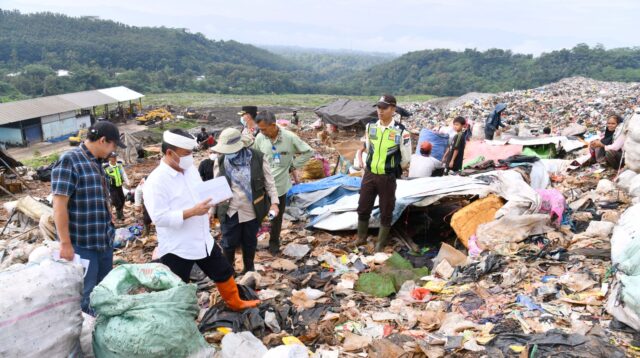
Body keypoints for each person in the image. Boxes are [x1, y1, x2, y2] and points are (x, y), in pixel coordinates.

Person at [143, 129, 259, 311]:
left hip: (202, 238)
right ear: (169, 153)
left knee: (223, 271)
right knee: (176, 286)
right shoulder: (156, 181)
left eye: (191, 153)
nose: (190, 158)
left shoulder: (189, 170)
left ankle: (235, 302)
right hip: (177, 246)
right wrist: (192, 212)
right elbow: (159, 218)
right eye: (186, 154)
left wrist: (215, 197)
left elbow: (199, 193)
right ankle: (177, 318)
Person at [51, 121, 126, 314]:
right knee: (85, 296)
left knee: (104, 292)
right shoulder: (70, 161)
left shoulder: (97, 163)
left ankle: (102, 331)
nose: (113, 151)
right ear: (103, 141)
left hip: (103, 243)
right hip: (83, 247)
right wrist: (65, 244)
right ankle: (88, 338)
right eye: (113, 146)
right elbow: (59, 206)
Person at [212, 128, 280, 273]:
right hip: (230, 209)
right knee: (228, 243)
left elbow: (270, 182)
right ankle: (229, 271)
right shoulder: (220, 161)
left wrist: (274, 203)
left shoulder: (258, 158)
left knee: (249, 242)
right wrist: (211, 211)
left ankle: (249, 269)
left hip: (252, 210)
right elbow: (215, 188)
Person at [355, 95, 411, 251]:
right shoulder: (370, 127)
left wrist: (391, 169)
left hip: (387, 176)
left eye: (384, 107)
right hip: (370, 173)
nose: (380, 111)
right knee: (363, 206)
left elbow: (406, 158)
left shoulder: (401, 131)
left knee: (386, 209)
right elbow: (366, 146)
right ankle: (361, 238)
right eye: (378, 107)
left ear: (393, 109)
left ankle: (380, 243)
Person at [253, 110, 313, 254]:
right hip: (261, 186)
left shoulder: (290, 137)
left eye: (264, 129)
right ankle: (252, 243)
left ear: (273, 125)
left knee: (276, 218)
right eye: (260, 129)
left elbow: (308, 151)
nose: (261, 132)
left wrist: (293, 165)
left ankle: (274, 245)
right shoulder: (260, 138)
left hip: (279, 187)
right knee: (257, 216)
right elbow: (254, 156)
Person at [103, 152, 130, 221]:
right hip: (112, 187)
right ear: (109, 158)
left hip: (119, 186)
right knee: (117, 202)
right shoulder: (106, 167)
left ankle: (114, 205)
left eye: (115, 157)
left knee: (122, 200)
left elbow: (123, 174)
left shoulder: (119, 165)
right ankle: (119, 216)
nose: (114, 158)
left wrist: (127, 182)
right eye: (113, 157)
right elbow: (102, 178)